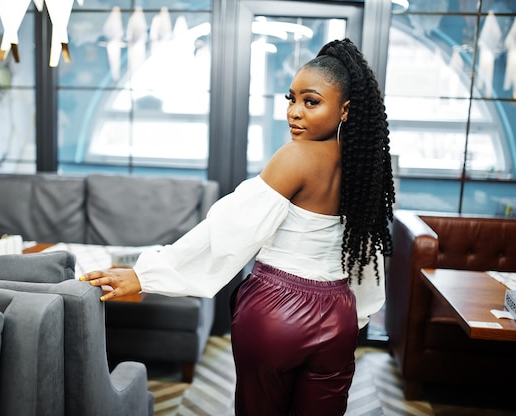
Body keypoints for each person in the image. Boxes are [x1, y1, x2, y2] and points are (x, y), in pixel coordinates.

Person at [80, 38, 395, 415]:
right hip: (339, 314)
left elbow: (228, 232)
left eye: (311, 102)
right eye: (291, 99)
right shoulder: (368, 170)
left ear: (345, 110)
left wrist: (144, 274)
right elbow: (367, 253)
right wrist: (354, 315)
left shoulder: (296, 157)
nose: (295, 112)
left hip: (277, 311)